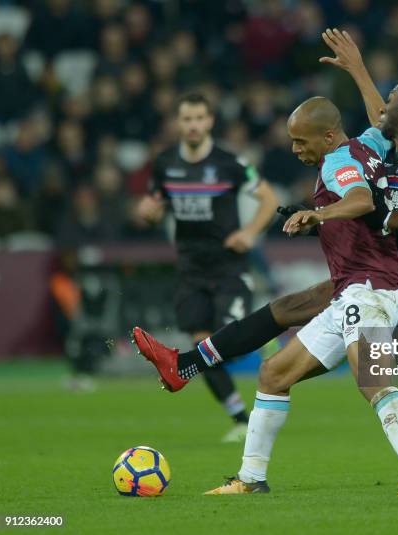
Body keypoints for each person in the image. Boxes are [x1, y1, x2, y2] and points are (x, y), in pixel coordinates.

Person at [134, 30, 398, 490]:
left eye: (394, 98)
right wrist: (358, 68)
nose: (384, 107)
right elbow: (374, 125)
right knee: (283, 338)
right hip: (372, 276)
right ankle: (203, 395)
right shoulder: (381, 148)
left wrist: (357, 216)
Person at [136, 95, 398, 496]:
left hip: (371, 288)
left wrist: (319, 214)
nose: (295, 149)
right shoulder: (367, 144)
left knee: (373, 379)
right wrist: (356, 68)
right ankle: (250, 478)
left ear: (329, 136)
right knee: (274, 373)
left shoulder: (337, 162)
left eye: (301, 141)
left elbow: (360, 200)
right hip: (355, 287)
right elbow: (384, 123)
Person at [137, 91, 279, 442]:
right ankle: (241, 419)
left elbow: (270, 198)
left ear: (210, 121)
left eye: (199, 118)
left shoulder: (230, 163)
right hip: (190, 269)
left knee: (223, 344)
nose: (193, 125)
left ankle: (261, 340)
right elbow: (153, 204)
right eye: (186, 119)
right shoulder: (165, 164)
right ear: (178, 124)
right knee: (203, 347)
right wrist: (148, 212)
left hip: (229, 267)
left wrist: (250, 232)